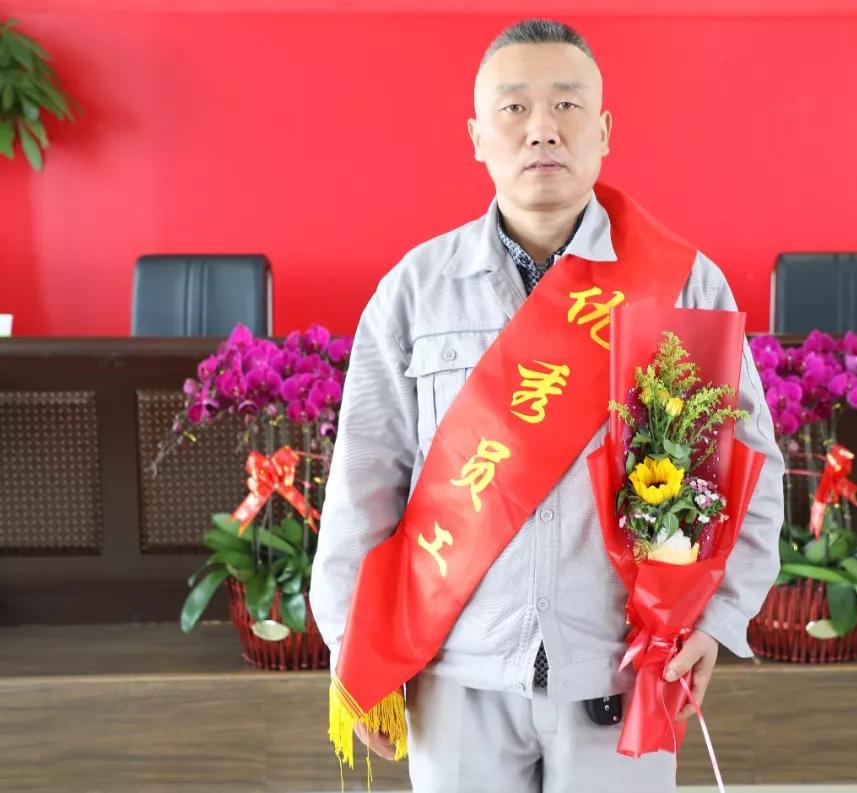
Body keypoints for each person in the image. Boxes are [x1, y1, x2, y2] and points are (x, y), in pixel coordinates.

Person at [310, 18, 784, 793]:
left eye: (567, 105)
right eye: (514, 108)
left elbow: (745, 473)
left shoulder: (681, 283)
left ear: (604, 131)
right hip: (453, 673)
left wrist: (718, 619)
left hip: (622, 670)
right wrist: (349, 643)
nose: (541, 129)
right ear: (476, 137)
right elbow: (363, 482)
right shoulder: (416, 292)